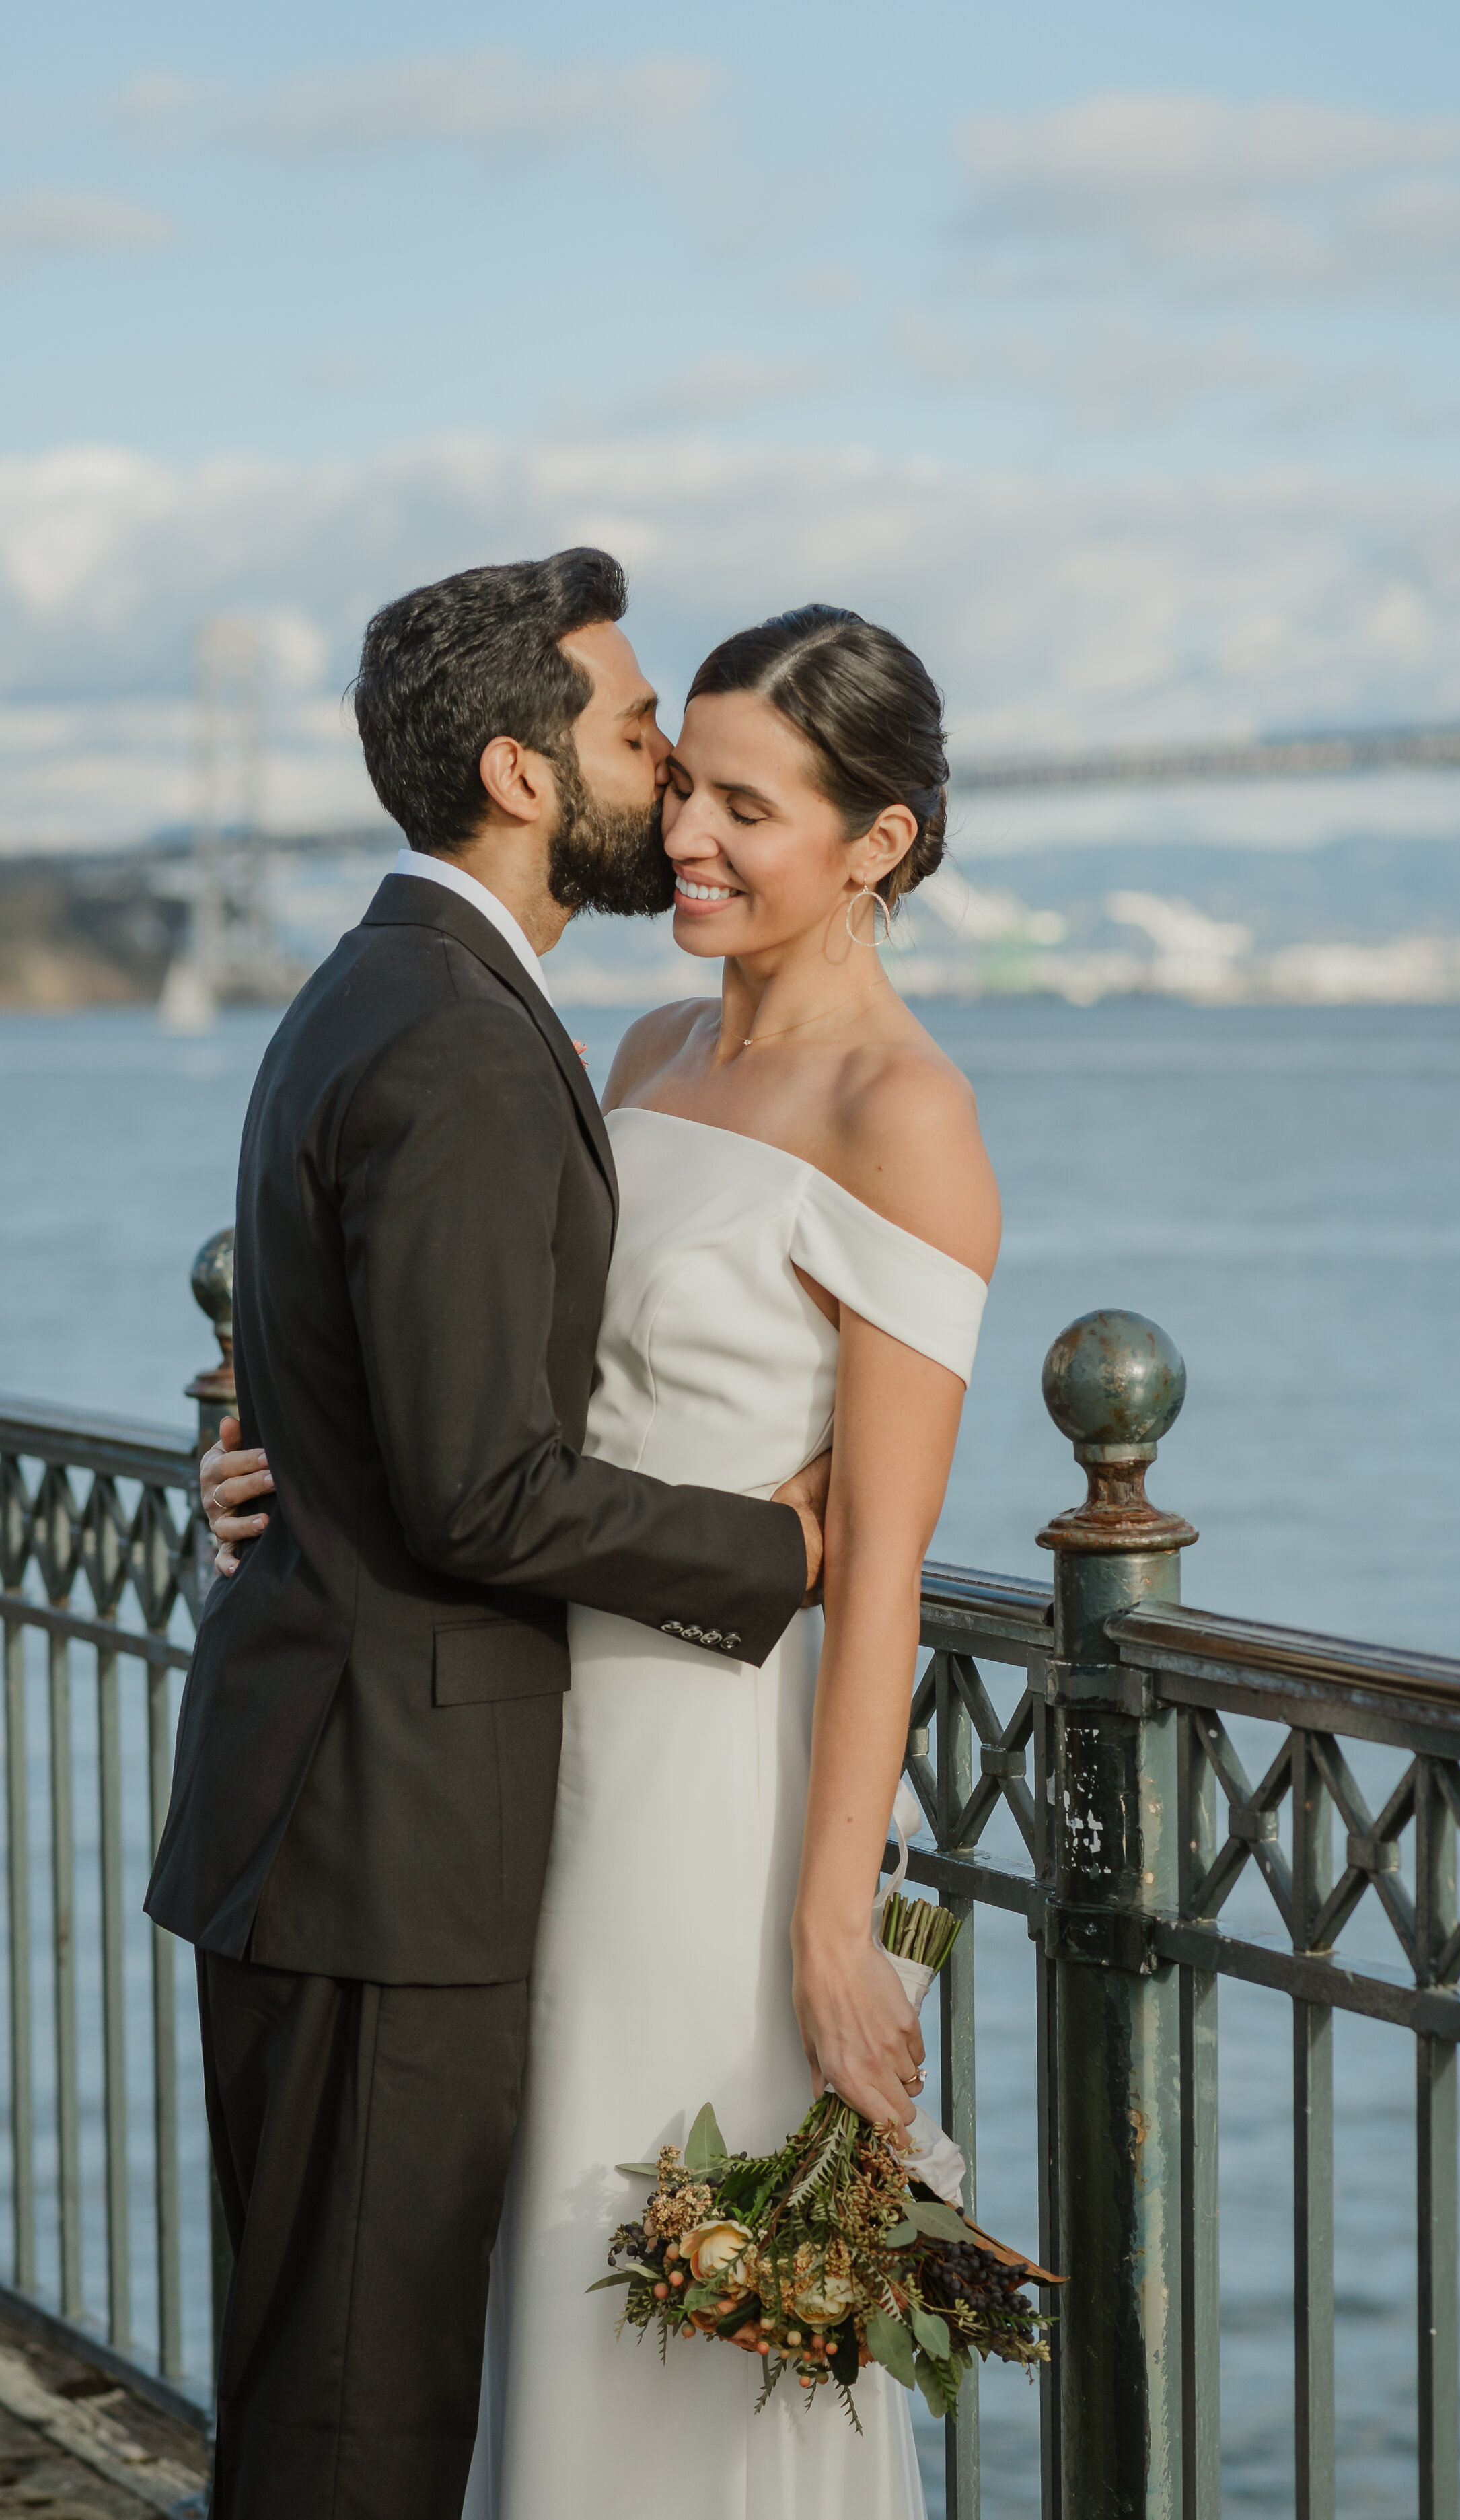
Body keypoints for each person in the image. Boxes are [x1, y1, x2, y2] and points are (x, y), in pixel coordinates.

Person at [206, 600, 999, 2516]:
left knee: (665, 2298)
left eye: (745, 802)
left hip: (708, 1786)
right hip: (509, 1754)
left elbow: (872, 1566)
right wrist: (272, 1448)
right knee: (507, 2294)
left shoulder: (911, 1121)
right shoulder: (630, 1043)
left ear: (873, 842)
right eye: (679, 773)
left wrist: (830, 1913)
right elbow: (457, 1357)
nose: (689, 833)